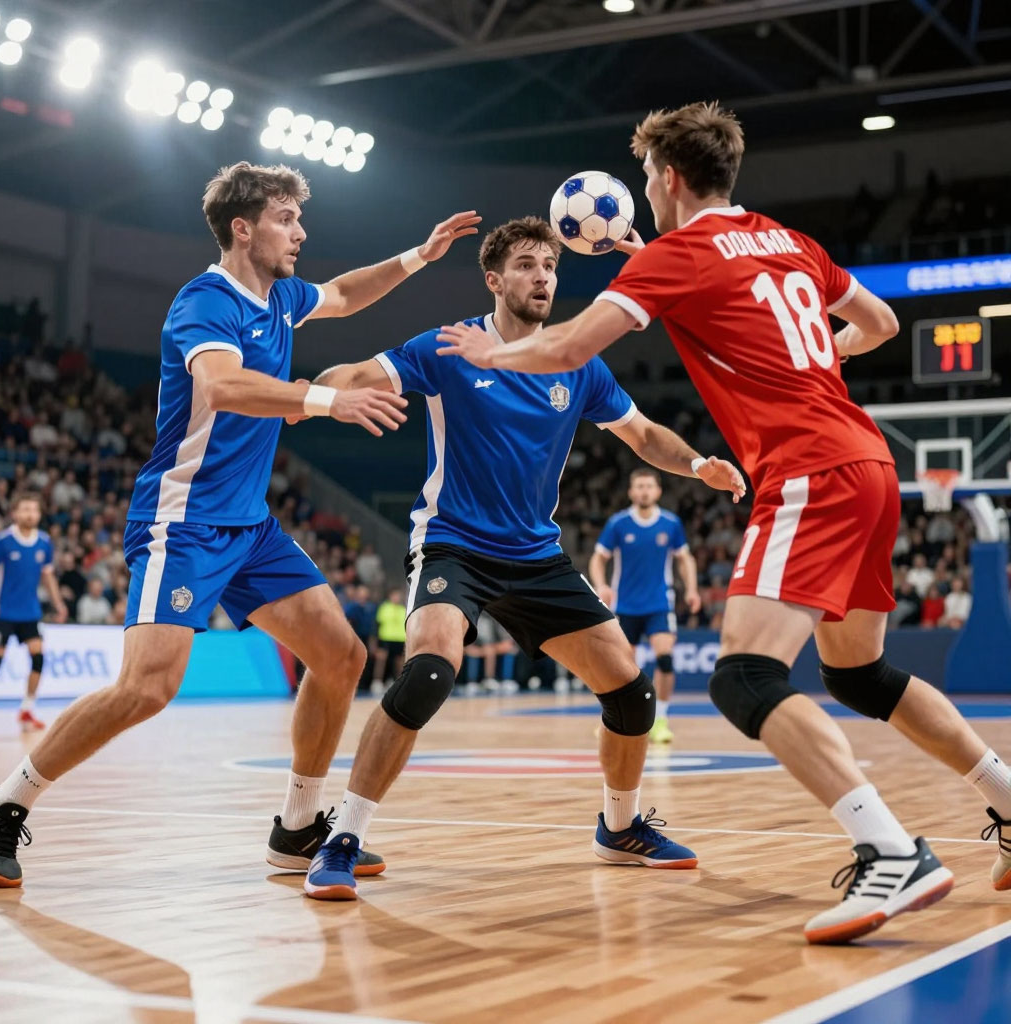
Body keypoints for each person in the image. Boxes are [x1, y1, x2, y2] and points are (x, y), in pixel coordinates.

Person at [437, 102, 1011, 944]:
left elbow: (565, 349)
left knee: (743, 677)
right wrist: (809, 349)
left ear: (667, 178)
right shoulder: (789, 242)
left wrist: (495, 353)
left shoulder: (678, 257)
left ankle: (890, 851)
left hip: (808, 470)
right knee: (858, 676)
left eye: (645, 180)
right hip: (870, 462)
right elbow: (881, 325)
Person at [0, 160, 479, 890]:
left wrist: (418, 256)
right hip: (182, 520)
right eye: (287, 218)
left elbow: (344, 294)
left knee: (342, 656)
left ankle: (297, 826)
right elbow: (221, 385)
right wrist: (320, 400)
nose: (301, 232)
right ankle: (5, 804)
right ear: (243, 228)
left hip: (249, 526)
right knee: (148, 689)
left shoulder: (280, 297)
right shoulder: (204, 301)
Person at [294, 215, 744, 899]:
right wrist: (332, 396)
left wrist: (698, 463)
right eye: (529, 265)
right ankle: (344, 837)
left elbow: (643, 434)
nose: (543, 278)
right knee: (428, 674)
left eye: (552, 266)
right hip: (455, 544)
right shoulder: (448, 347)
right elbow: (353, 372)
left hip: (537, 554)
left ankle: (620, 827)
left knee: (631, 690)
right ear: (494, 278)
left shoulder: (575, 362)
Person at [589, 467, 698, 744]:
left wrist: (692, 589)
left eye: (649, 486)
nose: (644, 491)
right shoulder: (618, 523)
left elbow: (685, 558)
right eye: (639, 486)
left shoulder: (671, 524)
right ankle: (614, 719)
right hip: (625, 606)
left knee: (665, 658)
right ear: (631, 491)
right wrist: (601, 585)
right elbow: (598, 558)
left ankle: (660, 720)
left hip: (659, 604)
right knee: (621, 668)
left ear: (658, 491)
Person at [0, 493, 68, 732]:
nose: (30, 514)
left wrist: (59, 603)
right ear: (15, 513)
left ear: (39, 514)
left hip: (30, 613)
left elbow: (48, 576)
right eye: (25, 509)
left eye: (34, 510)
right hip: (3, 612)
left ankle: (27, 710)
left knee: (38, 658)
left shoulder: (44, 542)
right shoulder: (3, 541)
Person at [371, 587, 407, 693]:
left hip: (400, 639)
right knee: (381, 661)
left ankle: (398, 683)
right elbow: (377, 624)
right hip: (385, 638)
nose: (397, 598)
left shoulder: (403, 609)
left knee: (399, 663)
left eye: (398, 595)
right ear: (390, 596)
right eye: (394, 595)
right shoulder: (384, 607)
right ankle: (377, 683)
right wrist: (374, 642)